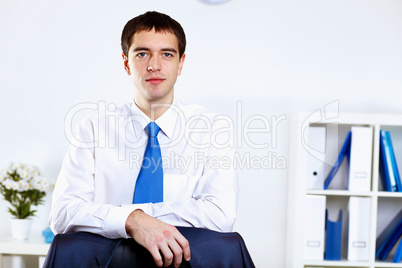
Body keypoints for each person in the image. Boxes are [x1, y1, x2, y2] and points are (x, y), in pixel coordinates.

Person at [49, 11, 238, 268]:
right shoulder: (92, 128)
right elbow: (62, 213)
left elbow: (220, 214)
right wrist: (132, 221)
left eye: (167, 54)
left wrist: (137, 216)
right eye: (142, 54)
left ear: (181, 63)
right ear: (126, 63)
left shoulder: (214, 128)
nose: (154, 65)